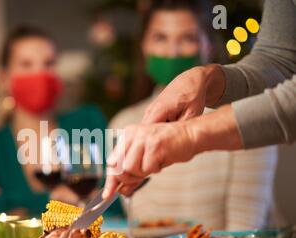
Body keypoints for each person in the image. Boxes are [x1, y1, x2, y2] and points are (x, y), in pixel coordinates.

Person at [103, 0, 296, 200]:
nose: (173, 52)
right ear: (143, 44)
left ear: (209, 45)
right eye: (161, 38)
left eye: (188, 38)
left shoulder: (247, 119)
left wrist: (189, 135)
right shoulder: (123, 124)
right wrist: (208, 77)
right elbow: (278, 60)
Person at [0, 26, 123, 218]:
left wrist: (10, 202)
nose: (40, 73)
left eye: (49, 63)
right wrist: (57, 199)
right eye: (26, 64)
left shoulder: (86, 123)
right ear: (4, 78)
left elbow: (116, 199)